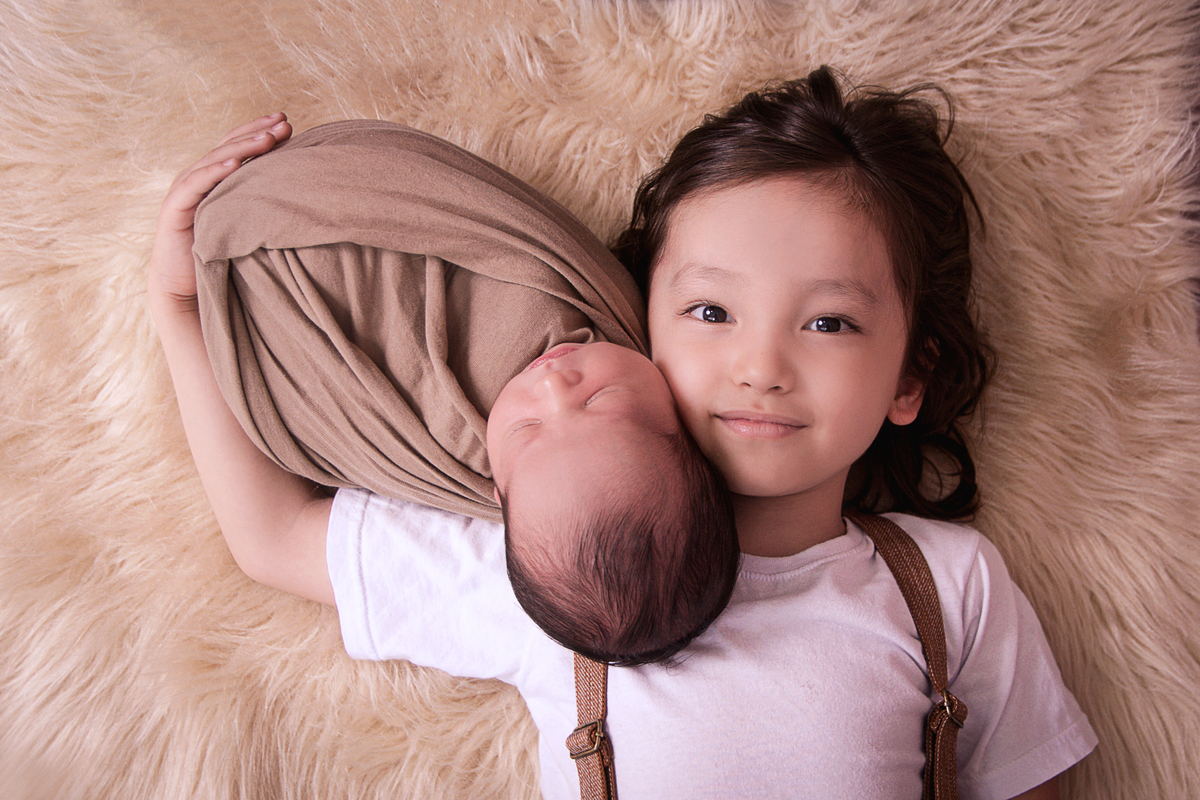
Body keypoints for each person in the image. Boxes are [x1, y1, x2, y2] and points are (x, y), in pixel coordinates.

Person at [150, 65, 1097, 800]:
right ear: (642, 327)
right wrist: (179, 309)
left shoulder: (948, 585)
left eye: (828, 322)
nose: (760, 365)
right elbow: (272, 535)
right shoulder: (538, 571)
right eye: (712, 313)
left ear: (910, 378)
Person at [157, 116, 739, 668]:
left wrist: (175, 301)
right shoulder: (642, 345)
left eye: (527, 429)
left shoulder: (509, 564)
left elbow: (271, 540)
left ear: (496, 493)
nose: (553, 386)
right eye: (600, 402)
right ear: (681, 419)